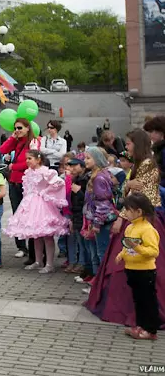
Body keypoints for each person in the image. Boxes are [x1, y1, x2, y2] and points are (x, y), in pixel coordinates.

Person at [86, 128, 165, 327]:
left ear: (137, 145)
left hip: (143, 220)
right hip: (136, 218)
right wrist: (128, 184)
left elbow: (140, 200)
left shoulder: (147, 164)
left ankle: (144, 316)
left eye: (129, 144)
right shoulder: (140, 164)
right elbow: (125, 194)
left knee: (139, 262)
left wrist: (122, 215)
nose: (126, 147)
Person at [4, 150, 67, 274]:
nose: (27, 161)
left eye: (30, 159)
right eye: (27, 159)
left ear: (38, 160)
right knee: (36, 235)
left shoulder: (45, 171)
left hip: (42, 204)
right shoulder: (28, 172)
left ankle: (49, 263)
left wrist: (45, 191)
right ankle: (38, 261)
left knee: (47, 235)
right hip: (30, 203)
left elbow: (59, 182)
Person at [115, 193, 161, 340]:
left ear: (138, 211)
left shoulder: (147, 229)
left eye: (128, 210)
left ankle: (150, 330)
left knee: (148, 301)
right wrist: (121, 254)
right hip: (132, 269)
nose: (126, 213)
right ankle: (140, 326)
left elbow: (154, 251)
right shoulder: (130, 227)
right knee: (138, 300)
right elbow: (126, 244)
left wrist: (137, 248)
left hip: (145, 271)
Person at [0, 117, 35, 260]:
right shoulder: (17, 141)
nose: (17, 131)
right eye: (15, 128)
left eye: (20, 128)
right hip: (13, 183)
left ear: (27, 128)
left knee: (29, 215)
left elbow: (31, 163)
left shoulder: (33, 142)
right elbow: (2, 149)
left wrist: (14, 166)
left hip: (26, 183)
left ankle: (33, 249)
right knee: (17, 214)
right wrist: (13, 138)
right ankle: (21, 246)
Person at [80, 147, 117, 279]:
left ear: (97, 159)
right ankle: (100, 283)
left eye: (88, 158)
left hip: (102, 222)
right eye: (85, 157)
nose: (85, 160)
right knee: (99, 253)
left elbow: (102, 204)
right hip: (98, 220)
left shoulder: (99, 178)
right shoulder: (97, 175)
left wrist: (96, 223)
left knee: (103, 254)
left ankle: (105, 284)